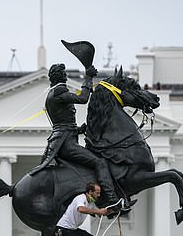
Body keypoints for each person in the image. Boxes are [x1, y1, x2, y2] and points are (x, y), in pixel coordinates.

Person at [30, 62, 135, 214]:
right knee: (100, 162)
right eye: (64, 74)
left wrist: (79, 129)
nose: (66, 77)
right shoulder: (59, 91)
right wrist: (88, 78)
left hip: (64, 139)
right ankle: (112, 200)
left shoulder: (53, 94)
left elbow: (63, 124)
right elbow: (83, 98)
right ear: (60, 77)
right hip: (65, 145)